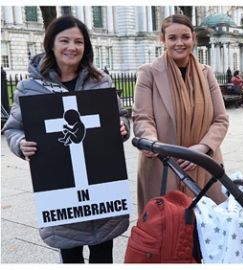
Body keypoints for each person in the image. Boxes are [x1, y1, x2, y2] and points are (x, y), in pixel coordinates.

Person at [2, 15, 130, 263]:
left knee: (103, 255)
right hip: (60, 185)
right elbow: (13, 129)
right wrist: (20, 144)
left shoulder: (100, 81)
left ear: (86, 46)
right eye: (65, 40)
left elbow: (121, 117)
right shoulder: (31, 87)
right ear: (51, 43)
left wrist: (122, 127)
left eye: (79, 42)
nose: (72, 47)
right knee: (70, 255)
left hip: (101, 181)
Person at [132, 14, 229, 214]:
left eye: (185, 37)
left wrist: (201, 149)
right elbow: (143, 117)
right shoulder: (148, 73)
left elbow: (220, 119)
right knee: (166, 229)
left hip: (203, 163)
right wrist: (150, 140)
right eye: (172, 38)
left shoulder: (206, 73)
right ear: (163, 39)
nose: (179, 43)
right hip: (163, 164)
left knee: (205, 232)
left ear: (193, 37)